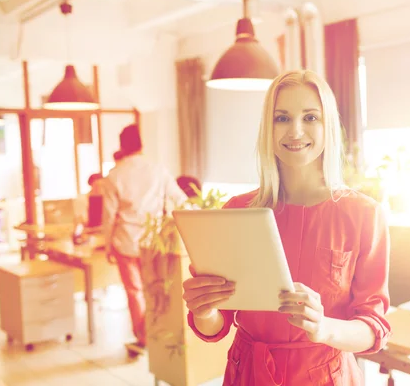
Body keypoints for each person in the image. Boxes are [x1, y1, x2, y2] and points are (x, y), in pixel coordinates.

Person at [181, 70, 391, 385]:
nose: (295, 131)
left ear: (328, 126)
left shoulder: (363, 214)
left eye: (310, 117)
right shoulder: (238, 211)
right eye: (282, 118)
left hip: (325, 376)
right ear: (268, 127)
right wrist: (204, 310)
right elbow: (217, 324)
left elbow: (373, 328)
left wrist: (324, 327)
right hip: (249, 373)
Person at [102, 124, 187, 351]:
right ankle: (159, 334)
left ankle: (143, 338)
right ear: (141, 144)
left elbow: (108, 216)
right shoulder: (158, 170)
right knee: (155, 289)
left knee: (135, 292)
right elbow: (180, 199)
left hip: (126, 242)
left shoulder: (114, 175)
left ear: (122, 146)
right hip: (154, 240)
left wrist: (107, 244)